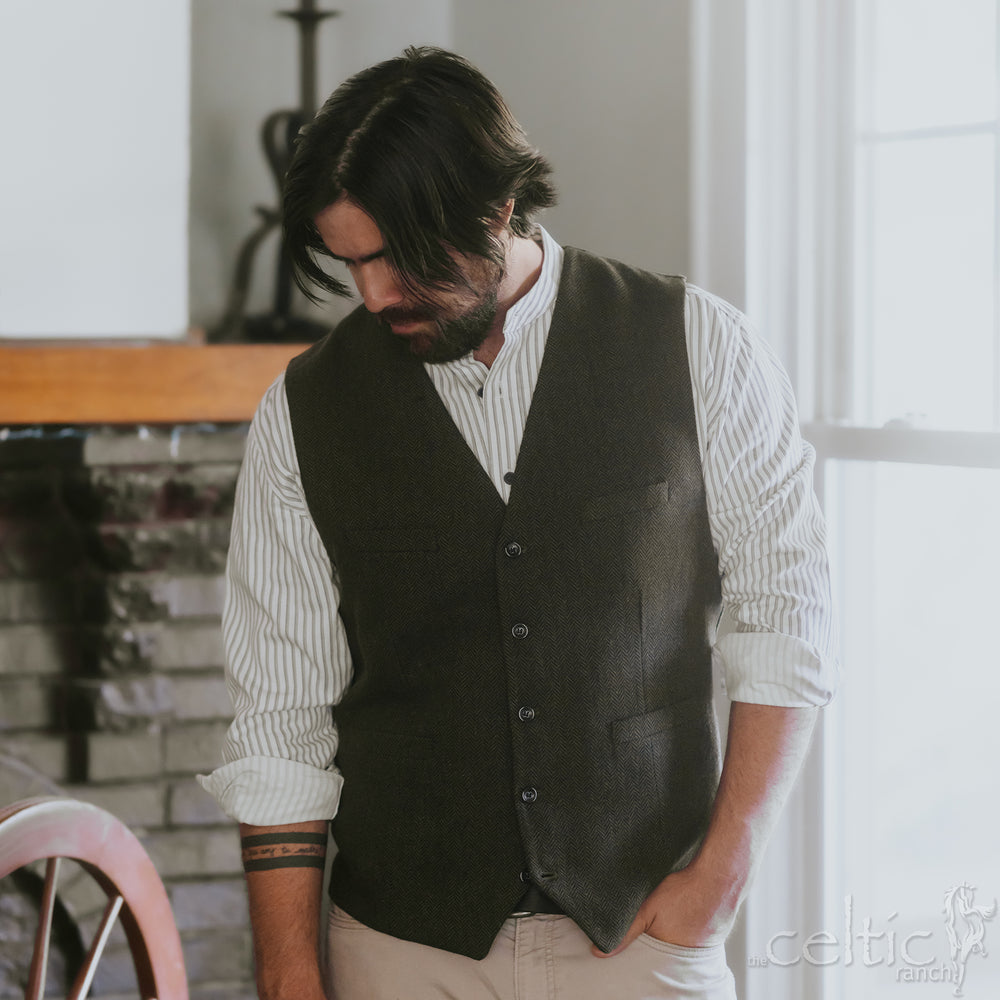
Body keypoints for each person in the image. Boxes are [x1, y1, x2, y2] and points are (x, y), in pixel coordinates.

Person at [199, 45, 838, 1000]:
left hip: (641, 936)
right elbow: (279, 724)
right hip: (401, 949)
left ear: (497, 208)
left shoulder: (699, 345)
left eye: (396, 258)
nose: (373, 296)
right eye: (350, 264)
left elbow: (785, 617)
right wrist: (290, 972)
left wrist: (723, 872)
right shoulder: (303, 413)